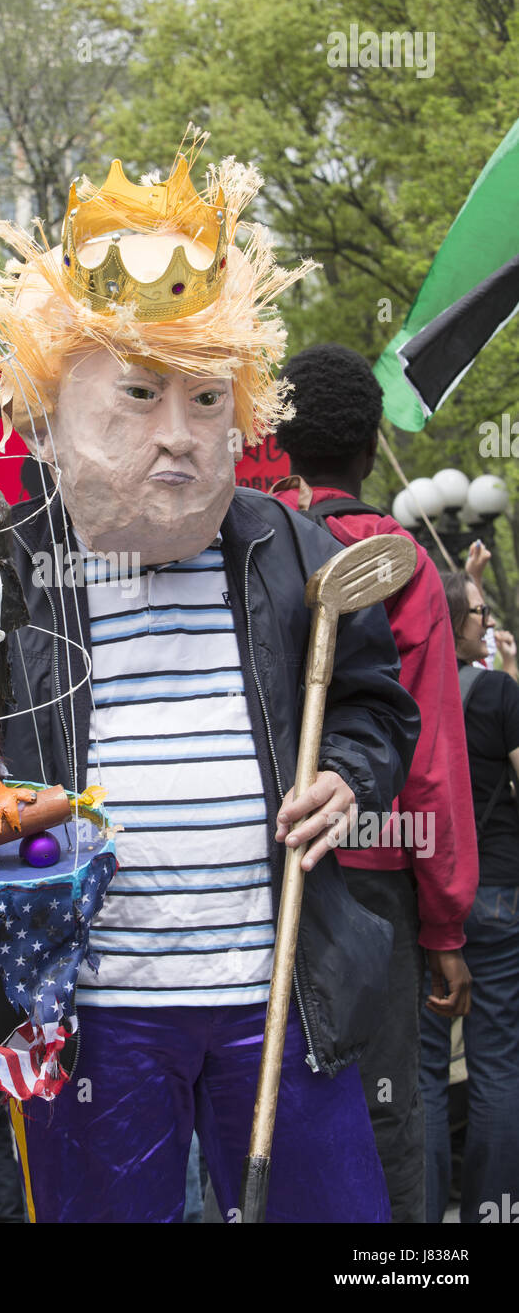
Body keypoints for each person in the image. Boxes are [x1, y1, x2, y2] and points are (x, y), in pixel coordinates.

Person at [0, 134, 420, 1222]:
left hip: (282, 992)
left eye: (205, 402)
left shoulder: (287, 550)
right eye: (140, 396)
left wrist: (347, 776)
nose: (177, 439)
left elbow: (370, 710)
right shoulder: (13, 570)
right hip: (95, 1006)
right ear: (54, 413)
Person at [270, 343, 477, 1223]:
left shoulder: (249, 543)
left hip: (268, 870)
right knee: (388, 1108)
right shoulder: (404, 564)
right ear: (368, 448)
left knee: (271, 1104)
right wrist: (447, 921)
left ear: (279, 438)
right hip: (379, 883)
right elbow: (426, 754)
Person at [419, 573, 519, 1223]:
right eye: (477, 612)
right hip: (500, 892)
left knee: (424, 1068)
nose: (484, 622)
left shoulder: (407, 692)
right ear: (454, 621)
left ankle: (422, 1218)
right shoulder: (500, 694)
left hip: (427, 894)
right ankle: (495, 1213)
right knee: (499, 1057)